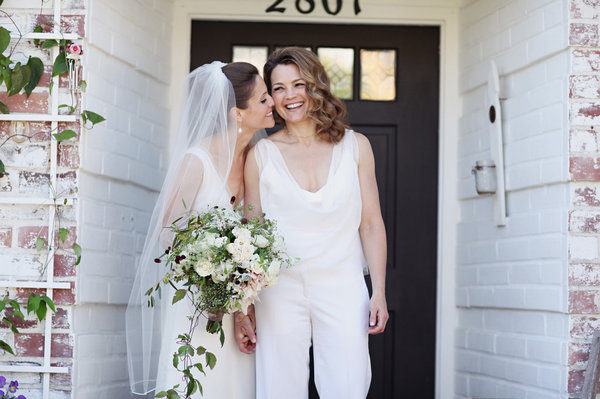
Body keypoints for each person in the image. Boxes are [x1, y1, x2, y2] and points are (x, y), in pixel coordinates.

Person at [237, 47, 389, 399]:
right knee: (279, 388)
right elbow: (250, 233)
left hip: (343, 285)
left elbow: (370, 223)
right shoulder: (260, 155)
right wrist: (245, 304)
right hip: (278, 290)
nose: (290, 96)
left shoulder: (356, 147)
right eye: (278, 88)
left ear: (315, 86)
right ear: (271, 97)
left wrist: (378, 290)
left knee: (347, 386)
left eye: (298, 84)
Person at [126, 61, 274, 398]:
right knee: (199, 381)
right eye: (263, 99)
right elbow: (168, 235)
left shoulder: (256, 158)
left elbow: (256, 232)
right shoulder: (197, 161)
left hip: (238, 305)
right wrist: (211, 279)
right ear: (238, 114)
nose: (272, 104)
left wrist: (241, 305)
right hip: (197, 303)